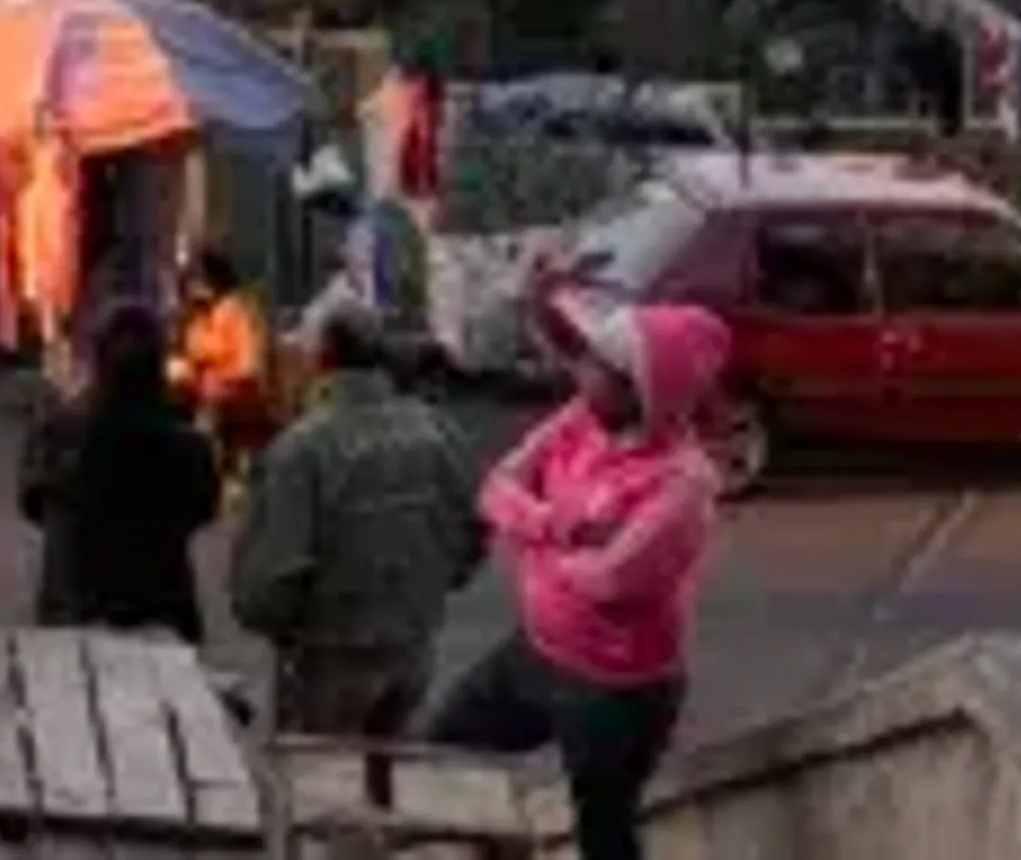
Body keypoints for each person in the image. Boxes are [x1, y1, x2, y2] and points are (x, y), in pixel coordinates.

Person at [419, 298, 732, 860]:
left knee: (605, 834)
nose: (582, 376)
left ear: (642, 390)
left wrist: (534, 544)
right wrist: (556, 526)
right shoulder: (581, 419)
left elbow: (608, 581)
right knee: (443, 748)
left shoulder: (682, 484)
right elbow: (496, 486)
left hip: (615, 691)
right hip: (535, 652)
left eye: (600, 369)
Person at [228, 308, 487, 737]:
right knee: (390, 777)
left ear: (320, 360)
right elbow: (476, 528)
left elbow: (272, 578)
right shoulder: (437, 431)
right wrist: (432, 587)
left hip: (328, 658)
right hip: (413, 648)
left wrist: (280, 627)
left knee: (323, 786)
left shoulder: (303, 449)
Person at [18, 303, 223, 642]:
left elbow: (32, 503)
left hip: (75, 617)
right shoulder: (189, 447)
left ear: (97, 363)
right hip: (164, 615)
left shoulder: (56, 434)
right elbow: (203, 510)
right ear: (159, 367)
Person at [171, 248, 276, 472]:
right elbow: (193, 351)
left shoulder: (235, 309)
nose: (192, 287)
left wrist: (207, 363)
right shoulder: (204, 313)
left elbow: (247, 364)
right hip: (212, 393)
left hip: (236, 395)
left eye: (197, 279)